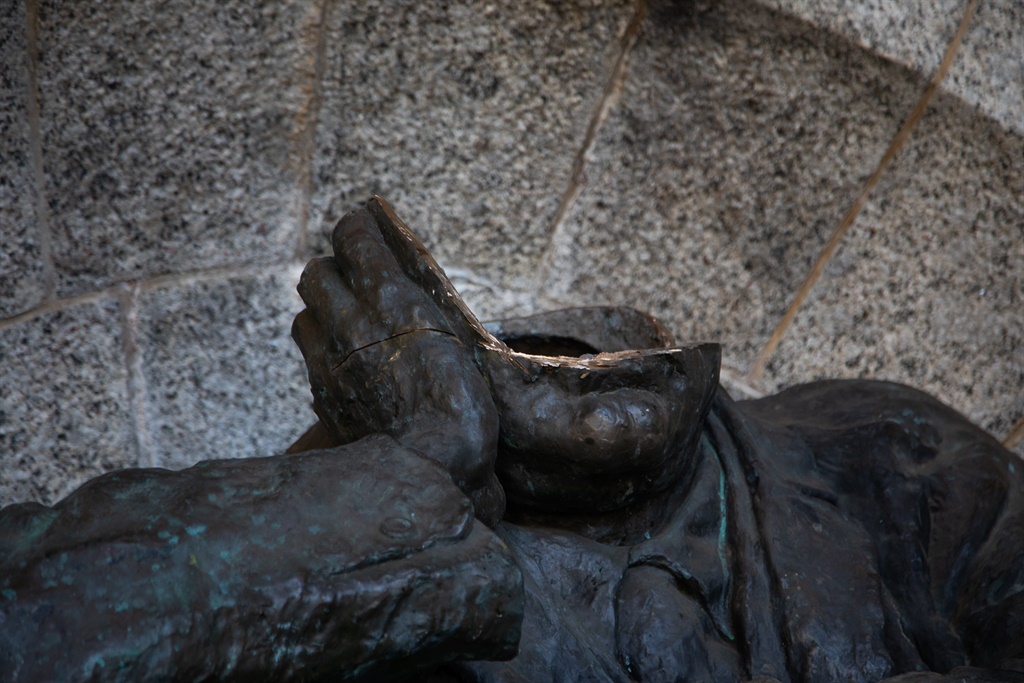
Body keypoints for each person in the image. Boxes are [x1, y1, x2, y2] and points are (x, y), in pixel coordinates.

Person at [1, 197, 1021, 682]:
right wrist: (408, 471)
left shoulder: (885, 453)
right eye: (518, 352)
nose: (573, 374)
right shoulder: (325, 578)